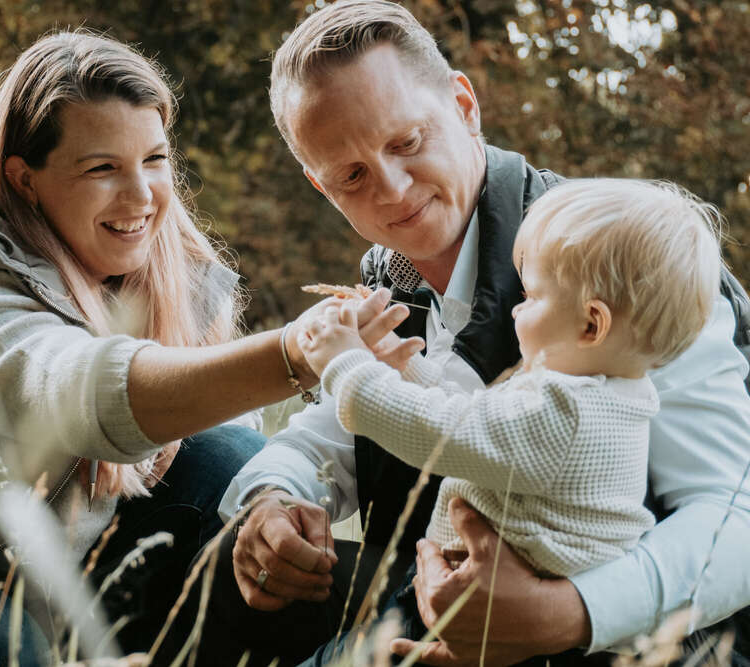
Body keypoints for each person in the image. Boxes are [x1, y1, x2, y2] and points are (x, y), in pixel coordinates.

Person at [0, 31, 411, 665]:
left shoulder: (166, 275)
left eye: (154, 159)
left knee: (229, 463)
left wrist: (268, 515)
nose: (142, 196)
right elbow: (70, 391)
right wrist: (294, 353)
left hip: (58, 592)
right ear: (25, 177)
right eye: (102, 168)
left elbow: (222, 451)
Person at [209, 1, 750, 665]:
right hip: (429, 609)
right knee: (212, 542)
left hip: (643, 646)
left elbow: (735, 522)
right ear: (319, 186)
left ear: (464, 105)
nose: (393, 188)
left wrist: (566, 614)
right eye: (350, 175)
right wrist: (270, 501)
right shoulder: (389, 278)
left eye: (406, 141)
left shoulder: (628, 266)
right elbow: (338, 430)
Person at [297, 178, 721, 579]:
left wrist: (347, 367)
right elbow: (477, 415)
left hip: (504, 630)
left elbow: (442, 435)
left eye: (531, 297)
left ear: (592, 325)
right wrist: (406, 366)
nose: (516, 310)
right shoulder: (602, 393)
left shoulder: (566, 412)